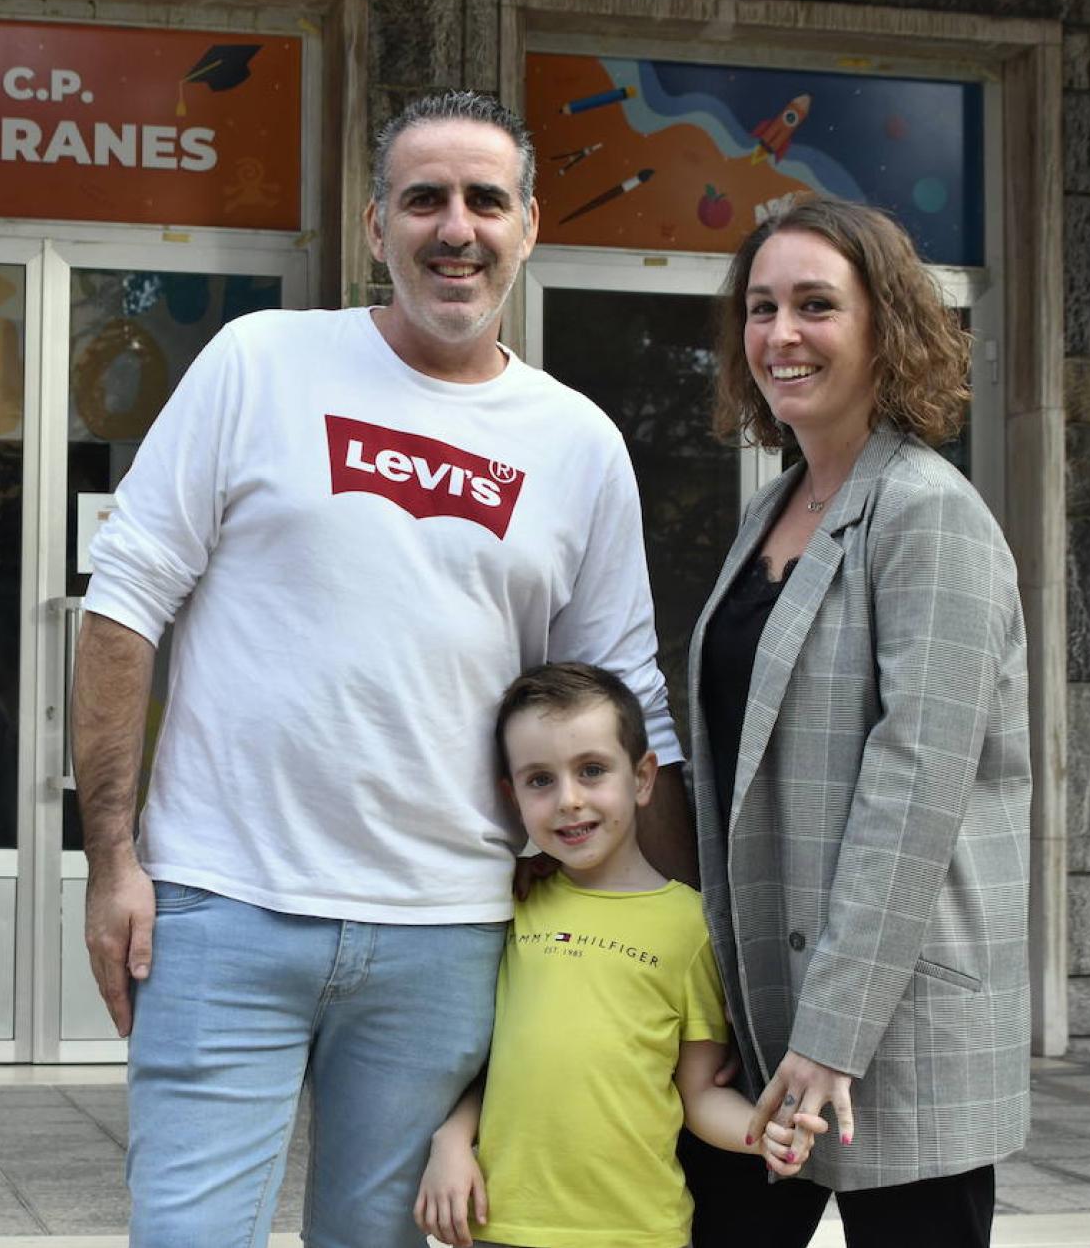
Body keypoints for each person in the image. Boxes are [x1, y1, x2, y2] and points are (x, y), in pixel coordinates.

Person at [72, 91, 693, 1247]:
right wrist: (110, 854)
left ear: (529, 226)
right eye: (425, 200)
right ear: (376, 226)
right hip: (224, 905)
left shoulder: (578, 442)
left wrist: (667, 923)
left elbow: (623, 697)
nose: (456, 227)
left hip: (447, 933)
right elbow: (124, 606)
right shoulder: (260, 362)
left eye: (484, 200)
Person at [680, 197, 1031, 1247]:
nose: (781, 334)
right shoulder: (772, 508)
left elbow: (914, 792)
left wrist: (831, 1036)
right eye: (761, 307)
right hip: (765, 1012)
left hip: (896, 1028)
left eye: (816, 305)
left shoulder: (931, 513)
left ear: (887, 326)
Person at [415, 663, 824, 1248]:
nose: (569, 800)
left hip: (639, 1231)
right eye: (539, 780)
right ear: (511, 795)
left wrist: (767, 1133)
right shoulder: (510, 906)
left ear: (642, 778)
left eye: (592, 770)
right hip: (501, 1223)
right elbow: (496, 1067)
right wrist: (451, 1141)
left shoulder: (690, 926)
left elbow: (700, 1094)